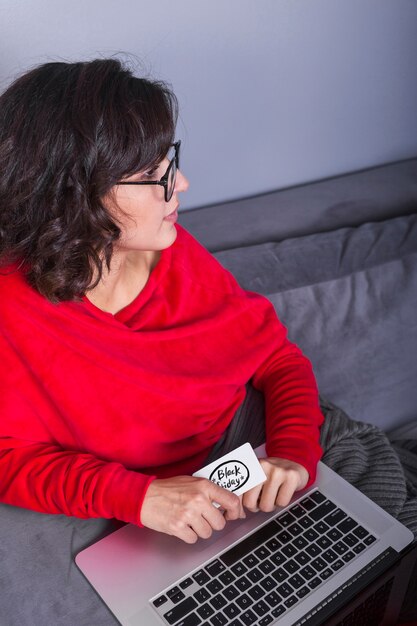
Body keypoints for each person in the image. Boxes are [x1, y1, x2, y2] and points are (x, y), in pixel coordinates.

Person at [0, 58, 323, 545]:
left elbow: (277, 357)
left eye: (169, 160)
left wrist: (293, 454)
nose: (182, 184)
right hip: (157, 511)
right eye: (153, 173)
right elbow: (9, 460)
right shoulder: (13, 309)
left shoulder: (167, 249)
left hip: (255, 458)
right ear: (74, 195)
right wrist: (137, 497)